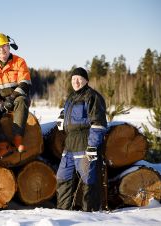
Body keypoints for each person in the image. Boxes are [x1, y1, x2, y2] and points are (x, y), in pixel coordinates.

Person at [56, 67, 107, 212]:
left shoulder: (92, 96)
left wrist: (92, 146)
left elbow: (98, 123)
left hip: (85, 144)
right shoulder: (71, 97)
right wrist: (61, 117)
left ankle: (89, 213)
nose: (76, 81)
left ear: (86, 80)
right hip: (70, 145)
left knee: (88, 180)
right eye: (73, 79)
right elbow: (65, 111)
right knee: (62, 178)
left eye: (79, 79)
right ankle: (62, 211)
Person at [0, 33, 31, 161]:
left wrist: (11, 98)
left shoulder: (19, 62)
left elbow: (24, 83)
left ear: (9, 47)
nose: (2, 50)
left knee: (22, 100)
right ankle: (3, 145)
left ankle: (18, 139)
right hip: (1, 102)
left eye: (4, 46)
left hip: (17, 99)